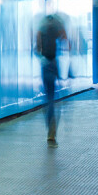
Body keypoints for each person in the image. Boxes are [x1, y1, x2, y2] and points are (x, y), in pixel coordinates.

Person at [36, 11, 67, 147]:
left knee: (48, 97)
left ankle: (50, 128)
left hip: (45, 63)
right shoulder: (57, 24)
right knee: (54, 97)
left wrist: (38, 50)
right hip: (54, 63)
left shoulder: (42, 26)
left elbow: (37, 44)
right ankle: (52, 129)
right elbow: (65, 38)